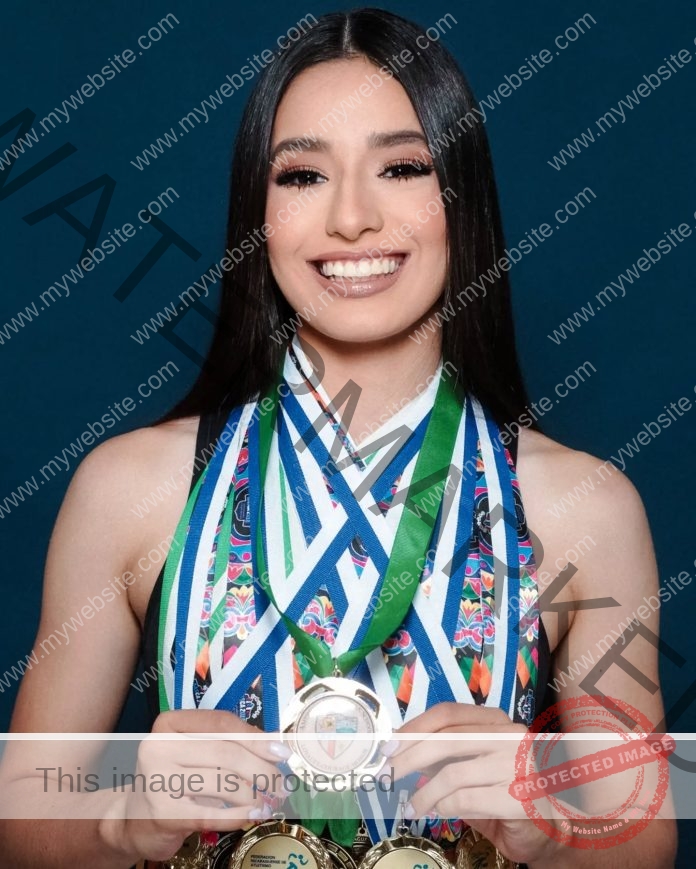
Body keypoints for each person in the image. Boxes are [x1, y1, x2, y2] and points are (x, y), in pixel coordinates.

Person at [0, 8, 676, 868]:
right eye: (303, 176)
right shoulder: (131, 486)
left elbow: (645, 833)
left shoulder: (584, 507)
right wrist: (121, 818)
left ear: (459, 199)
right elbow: (21, 818)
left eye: (401, 166)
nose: (352, 219)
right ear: (260, 211)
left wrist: (548, 828)